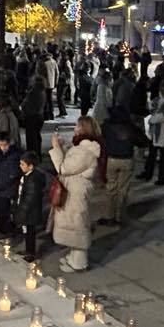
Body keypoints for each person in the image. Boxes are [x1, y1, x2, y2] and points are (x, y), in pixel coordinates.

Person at [49, 116, 103, 272]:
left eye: (77, 126)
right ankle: (73, 256)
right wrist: (64, 146)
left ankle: (79, 262)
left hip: (76, 193)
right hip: (73, 190)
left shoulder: (86, 151)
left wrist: (55, 148)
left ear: (83, 128)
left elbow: (64, 168)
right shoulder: (82, 147)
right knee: (72, 224)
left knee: (77, 224)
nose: (74, 128)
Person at [97, 105, 147, 227]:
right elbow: (143, 142)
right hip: (126, 160)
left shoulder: (106, 127)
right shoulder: (130, 127)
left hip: (111, 159)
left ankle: (109, 216)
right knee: (123, 189)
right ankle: (120, 216)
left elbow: (99, 141)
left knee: (110, 189)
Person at [0, 130, 24, 236]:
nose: (2, 148)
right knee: (1, 210)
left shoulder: (14, 155)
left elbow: (12, 175)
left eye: (4, 145)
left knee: (5, 211)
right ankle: (3, 228)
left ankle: (6, 231)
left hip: (7, 189)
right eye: (0, 145)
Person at [15, 150, 48, 261]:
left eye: (23, 164)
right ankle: (28, 250)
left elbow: (30, 198)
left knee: (30, 233)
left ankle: (31, 253)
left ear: (31, 166)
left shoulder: (33, 180)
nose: (20, 166)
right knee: (27, 232)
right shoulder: (27, 176)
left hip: (30, 212)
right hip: (27, 210)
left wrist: (22, 211)